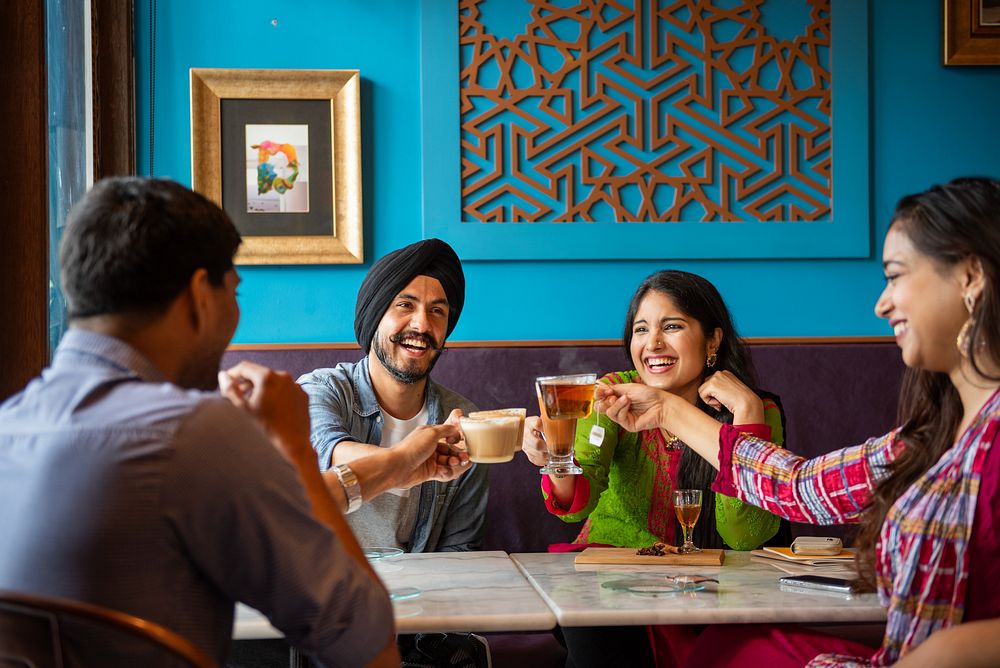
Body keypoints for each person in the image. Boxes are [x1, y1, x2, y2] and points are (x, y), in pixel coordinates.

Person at [0, 177, 468, 667]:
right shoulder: (200, 436)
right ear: (201, 295)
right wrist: (292, 451)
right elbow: (362, 637)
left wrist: (392, 466)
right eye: (234, 291)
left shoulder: (11, 426)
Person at [596, 177, 1000, 667]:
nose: (882, 303)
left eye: (895, 276)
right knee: (724, 648)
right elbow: (799, 486)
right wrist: (666, 410)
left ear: (971, 277)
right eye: (642, 328)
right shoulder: (934, 438)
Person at [522, 269, 785, 668]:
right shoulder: (614, 394)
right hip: (607, 575)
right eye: (640, 329)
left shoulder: (754, 409)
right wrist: (553, 459)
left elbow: (744, 535)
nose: (652, 343)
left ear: (713, 339)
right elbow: (575, 503)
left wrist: (745, 419)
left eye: (672, 326)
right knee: (598, 628)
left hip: (707, 588)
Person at [298, 239, 488, 554]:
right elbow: (328, 451)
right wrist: (407, 460)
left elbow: (461, 548)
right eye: (405, 305)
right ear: (374, 315)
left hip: (422, 597)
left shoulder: (462, 422)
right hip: (324, 591)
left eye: (437, 311)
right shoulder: (322, 390)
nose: (422, 324)